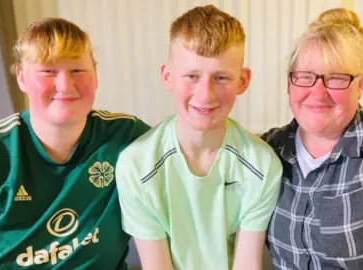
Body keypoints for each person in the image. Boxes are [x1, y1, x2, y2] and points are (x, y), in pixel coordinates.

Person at [0, 18, 150, 269]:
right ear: (21, 77)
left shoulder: (127, 137)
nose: (65, 85)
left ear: (96, 75)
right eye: (48, 71)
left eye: (77, 70)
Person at [115, 5, 282, 270]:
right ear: (167, 76)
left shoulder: (262, 165)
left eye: (221, 78)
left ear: (243, 80)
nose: (205, 94)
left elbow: (247, 264)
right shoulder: (136, 164)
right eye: (192, 76)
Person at [261, 8, 363, 269]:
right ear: (289, 82)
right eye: (305, 76)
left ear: (360, 85)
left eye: (336, 78)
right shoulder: (269, 148)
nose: (317, 93)